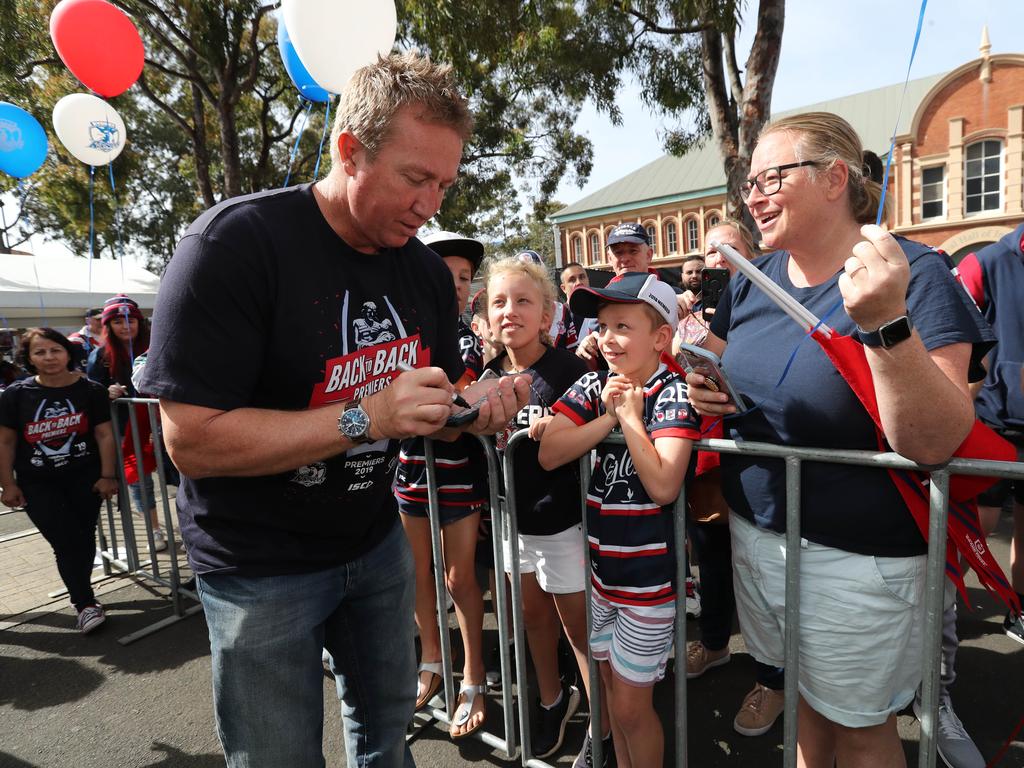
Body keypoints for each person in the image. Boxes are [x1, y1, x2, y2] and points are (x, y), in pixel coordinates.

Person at [139, 52, 530, 768]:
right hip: (256, 566)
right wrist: (366, 416)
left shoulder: (419, 267)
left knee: (388, 740)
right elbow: (190, 441)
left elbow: (430, 400)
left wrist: (475, 409)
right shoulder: (232, 245)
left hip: (374, 546)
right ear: (349, 150)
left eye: (444, 182)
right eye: (416, 177)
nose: (431, 204)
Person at [685, 112, 993, 768]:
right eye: (750, 184)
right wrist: (706, 389)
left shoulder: (915, 272)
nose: (755, 195)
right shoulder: (749, 282)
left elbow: (936, 440)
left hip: (860, 557)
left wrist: (885, 322)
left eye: (772, 177)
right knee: (802, 701)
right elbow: (728, 373)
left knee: (859, 728)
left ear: (834, 178)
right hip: (756, 531)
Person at [541, 272, 698, 768]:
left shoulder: (674, 392)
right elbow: (548, 452)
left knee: (631, 709)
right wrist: (609, 417)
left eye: (623, 326)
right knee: (610, 691)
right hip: (602, 576)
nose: (608, 338)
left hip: (649, 586)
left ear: (660, 337)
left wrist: (630, 418)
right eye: (603, 325)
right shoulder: (595, 385)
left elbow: (663, 484)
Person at [483, 257, 591, 761]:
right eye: (499, 302)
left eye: (523, 301)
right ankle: (553, 699)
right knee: (532, 617)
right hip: (509, 523)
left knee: (578, 630)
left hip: (561, 523)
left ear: (547, 313)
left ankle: (604, 724)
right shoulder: (486, 375)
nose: (511, 312)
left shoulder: (572, 371)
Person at [394, 230, 491, 738]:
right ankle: (432, 657)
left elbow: (452, 403)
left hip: (457, 476)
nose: (453, 285)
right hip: (410, 472)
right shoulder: (401, 333)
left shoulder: (466, 338)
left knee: (459, 578)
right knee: (415, 571)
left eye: (462, 277)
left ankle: (474, 674)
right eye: (443, 275)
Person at [0, 328, 118, 632]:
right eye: (40, 352)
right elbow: (6, 442)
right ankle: (85, 603)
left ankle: (84, 599)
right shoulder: (16, 394)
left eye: (55, 350)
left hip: (85, 477)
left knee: (83, 536)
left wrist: (108, 475)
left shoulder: (90, 390)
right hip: (36, 482)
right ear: (28, 358)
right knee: (65, 541)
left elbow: (104, 434)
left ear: (68, 352)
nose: (49, 357)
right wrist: (8, 484)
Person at [87, 294, 166, 553]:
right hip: (125, 430)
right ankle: (154, 530)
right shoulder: (100, 356)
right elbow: (91, 392)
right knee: (140, 482)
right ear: (108, 325)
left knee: (178, 478)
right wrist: (105, 392)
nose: (125, 326)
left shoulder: (158, 345)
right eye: (118, 321)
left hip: (163, 426)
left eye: (130, 320)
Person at [517, 250, 578, 350]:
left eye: (535, 277)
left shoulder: (561, 310)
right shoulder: (511, 314)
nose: (529, 284)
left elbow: (572, 351)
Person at [560, 262, 593, 340]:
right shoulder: (559, 316)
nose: (579, 282)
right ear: (563, 288)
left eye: (582, 277)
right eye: (572, 280)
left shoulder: (601, 310)